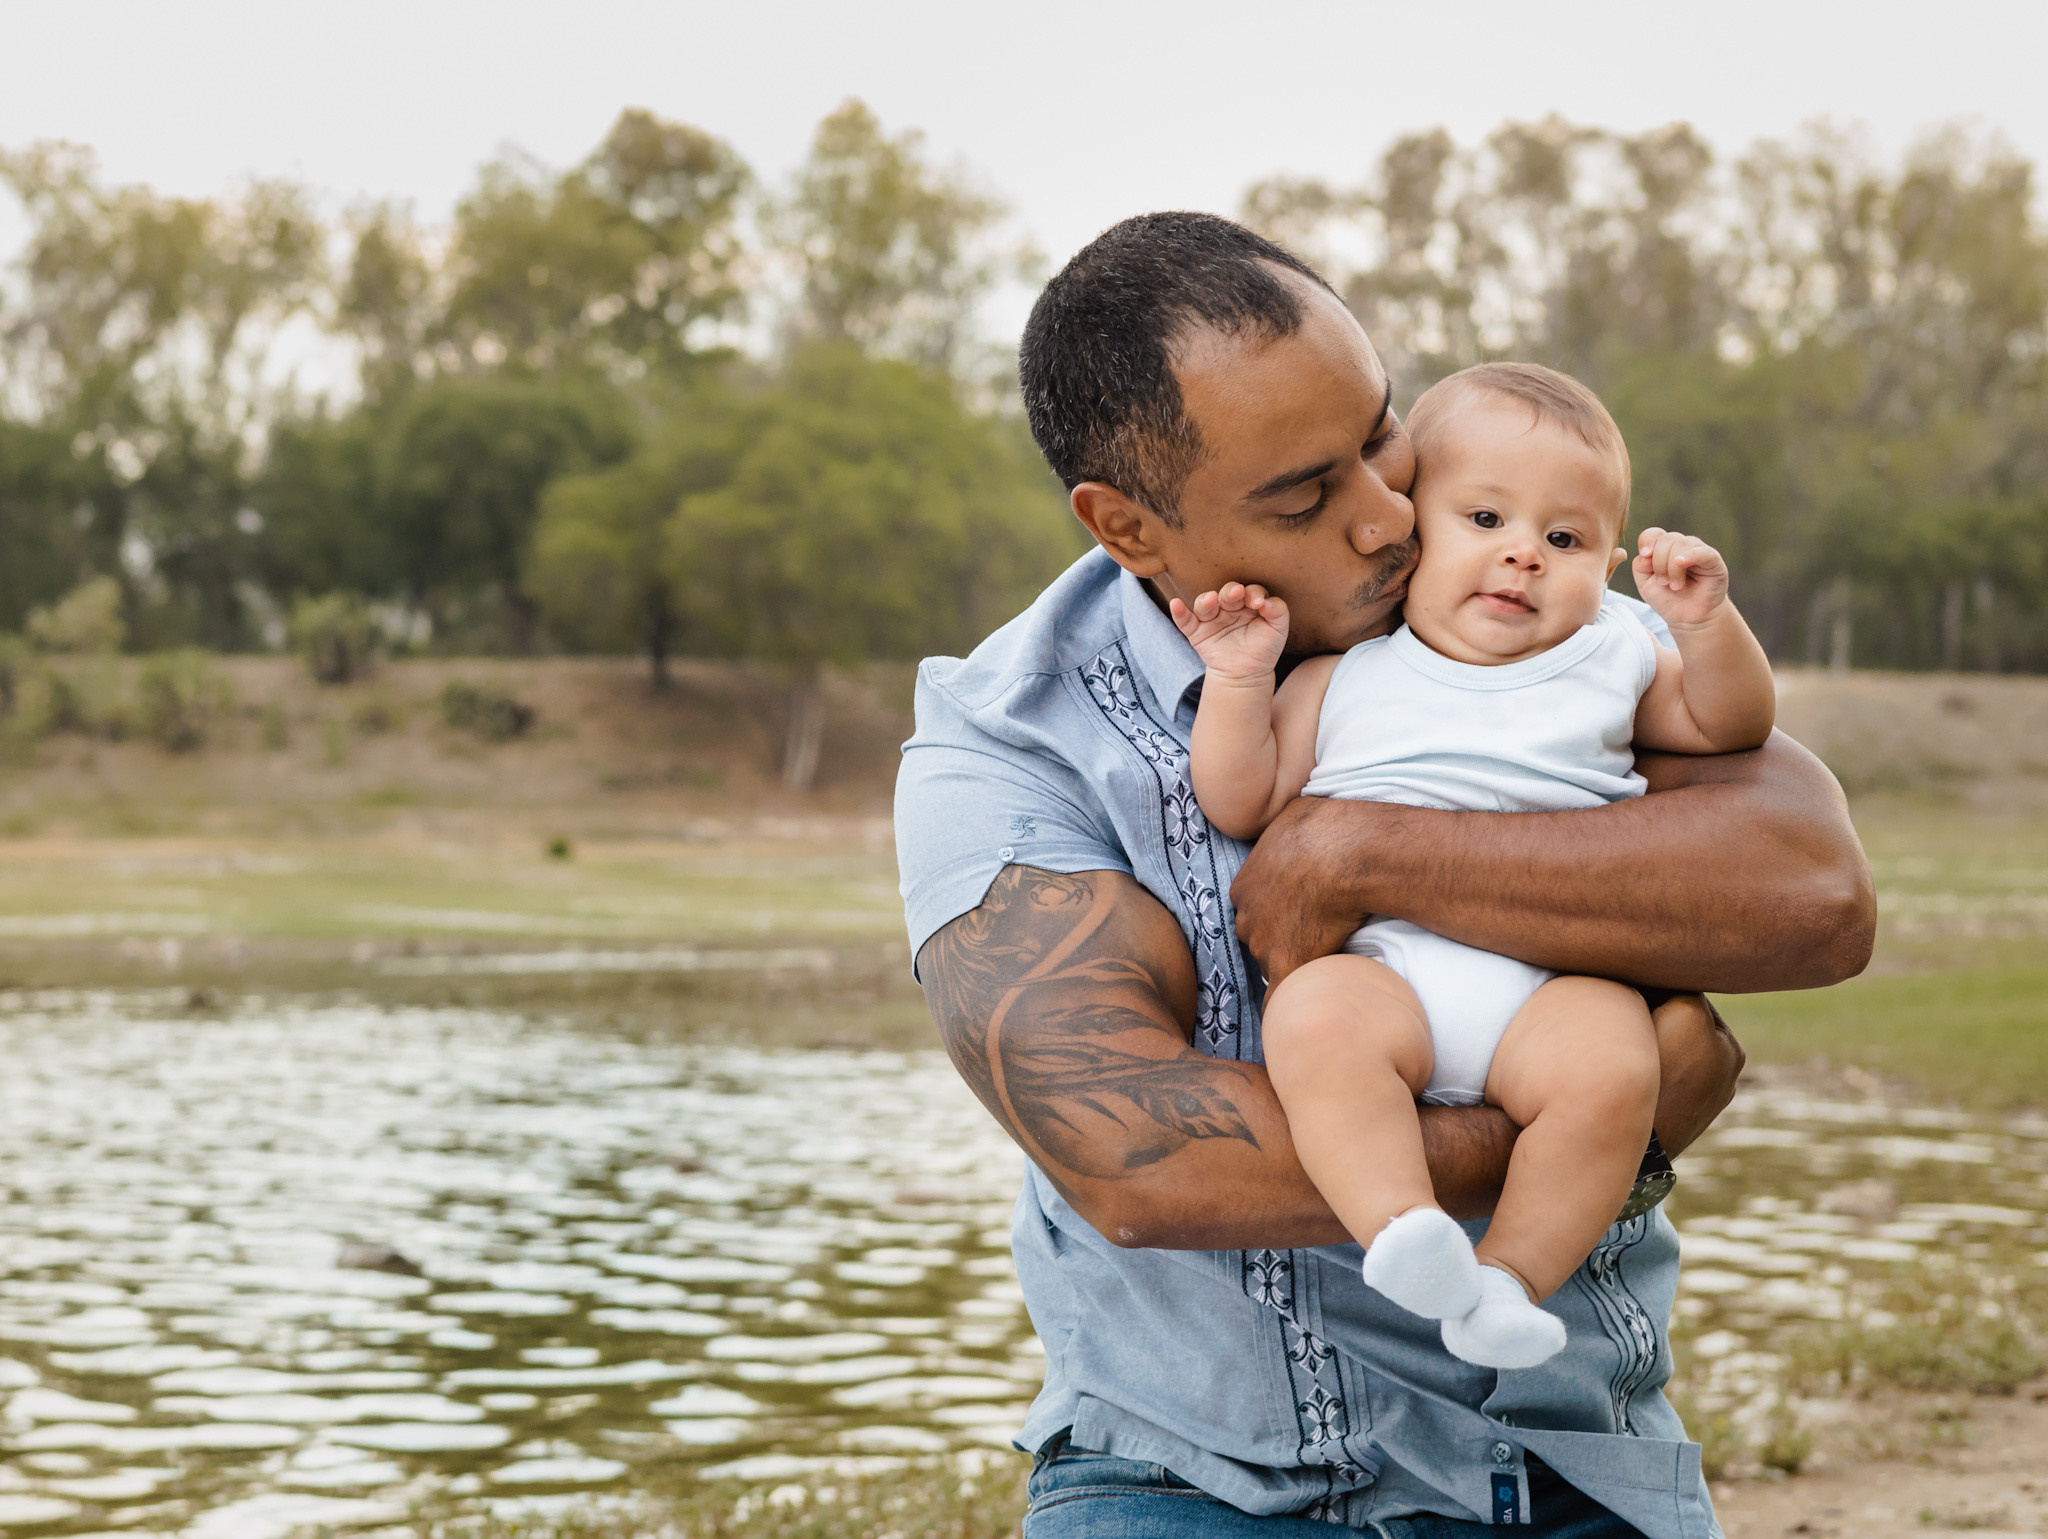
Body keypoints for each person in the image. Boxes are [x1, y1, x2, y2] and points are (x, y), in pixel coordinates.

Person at [896, 212, 1874, 1536]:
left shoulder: (1528, 594)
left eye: (1380, 433)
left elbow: (1815, 890)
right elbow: (1137, 1158)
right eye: (1304, 493)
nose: (1384, 515)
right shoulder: (1008, 741)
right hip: (1191, 1485)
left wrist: (1366, 849)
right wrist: (1584, 1126)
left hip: (1569, 1461)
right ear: (1130, 524)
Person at [1169, 362, 1776, 1375]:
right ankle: (1400, 1226)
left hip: (1550, 982)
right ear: (1412, 535)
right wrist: (1236, 682)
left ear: (1610, 565)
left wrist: (1702, 626)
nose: (1521, 556)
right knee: (1314, 1018)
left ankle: (1508, 1279)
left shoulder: (1615, 656)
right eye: (1484, 517)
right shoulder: (1345, 674)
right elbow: (1240, 796)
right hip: (1386, 971)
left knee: (1614, 1069)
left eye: (1563, 538)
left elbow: (1729, 722)